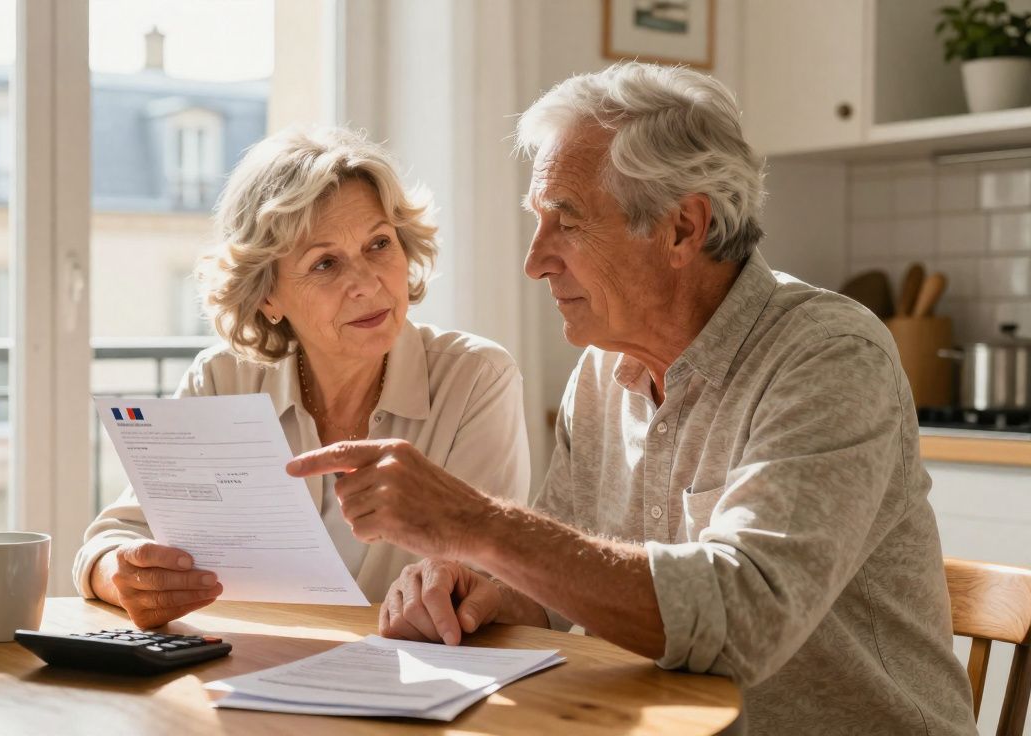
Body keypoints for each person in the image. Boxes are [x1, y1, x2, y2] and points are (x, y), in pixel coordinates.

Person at [287, 64, 977, 735]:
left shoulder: (828, 356)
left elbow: (743, 620)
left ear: (682, 228)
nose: (536, 260)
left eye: (569, 220)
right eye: (537, 220)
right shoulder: (603, 369)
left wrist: (475, 524)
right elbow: (557, 587)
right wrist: (478, 587)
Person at [72, 127, 530, 629]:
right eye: (326, 263)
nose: (367, 283)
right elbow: (113, 539)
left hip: (417, 679)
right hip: (249, 673)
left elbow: (489, 580)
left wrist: (448, 590)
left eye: (379, 244)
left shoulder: (476, 379)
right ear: (268, 295)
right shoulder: (224, 379)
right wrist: (122, 574)